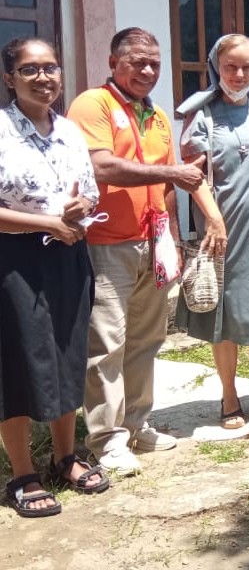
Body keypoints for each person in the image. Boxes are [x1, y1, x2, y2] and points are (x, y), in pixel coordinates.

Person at [67, 28, 206, 476]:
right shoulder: (94, 105)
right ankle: (106, 440)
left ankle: (135, 424)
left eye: (154, 63)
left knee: (147, 340)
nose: (148, 70)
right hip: (107, 245)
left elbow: (165, 187)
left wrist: (170, 243)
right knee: (106, 343)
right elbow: (101, 165)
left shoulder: (157, 115)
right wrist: (173, 171)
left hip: (151, 243)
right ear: (113, 62)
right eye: (137, 61)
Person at [0, 37, 110, 517]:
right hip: (15, 261)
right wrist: (49, 222)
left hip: (69, 256)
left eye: (51, 68)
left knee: (68, 355)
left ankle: (65, 456)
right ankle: (22, 471)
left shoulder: (68, 131)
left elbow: (89, 192)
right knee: (18, 362)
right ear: (10, 78)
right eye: (30, 69)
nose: (43, 77)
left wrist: (79, 209)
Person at [175, 34, 249, 430]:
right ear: (216, 67)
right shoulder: (203, 115)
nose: (240, 74)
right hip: (222, 220)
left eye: (248, 66)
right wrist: (213, 219)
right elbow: (193, 177)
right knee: (223, 311)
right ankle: (229, 394)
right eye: (231, 66)